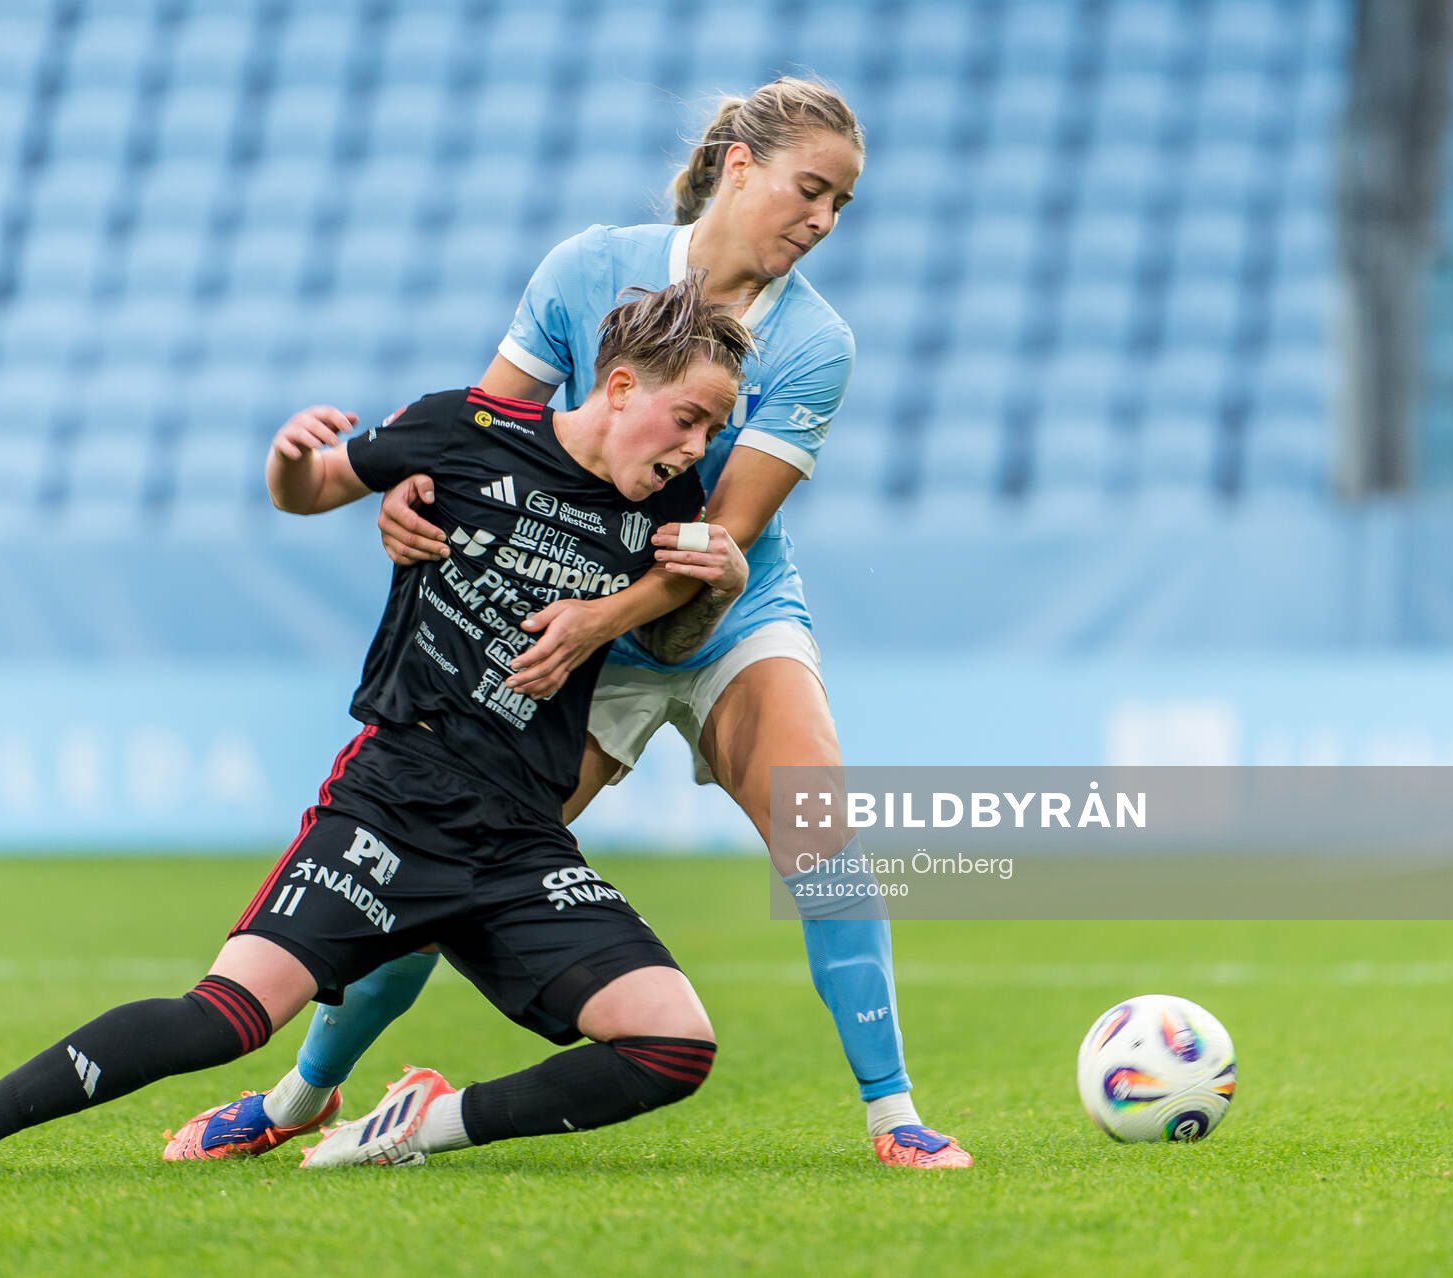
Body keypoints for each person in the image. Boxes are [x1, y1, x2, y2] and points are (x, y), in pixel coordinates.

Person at [195, 78, 973, 1171]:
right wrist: (418, 498)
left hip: (721, 613)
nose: (824, 222)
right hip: (576, 615)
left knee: (824, 833)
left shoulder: (816, 344)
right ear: (739, 166)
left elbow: (716, 539)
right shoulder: (586, 269)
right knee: (441, 854)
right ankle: (301, 1096)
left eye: (843, 204)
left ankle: (895, 1119)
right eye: (812, 190)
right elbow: (486, 434)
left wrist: (599, 616)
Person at [0, 278, 756, 1173]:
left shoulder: (667, 508)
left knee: (674, 1046)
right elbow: (314, 487)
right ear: (623, 386)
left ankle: (421, 1126)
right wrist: (288, 458)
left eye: (713, 429)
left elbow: (673, 615)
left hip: (522, 835)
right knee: (225, 1017)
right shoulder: (465, 430)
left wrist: (711, 585)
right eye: (690, 418)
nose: (699, 444)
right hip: (396, 802)